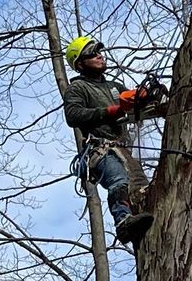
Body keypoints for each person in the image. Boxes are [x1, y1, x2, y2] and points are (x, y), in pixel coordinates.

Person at [62, 34, 166, 245]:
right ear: (80, 63)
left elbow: (134, 104)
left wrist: (151, 99)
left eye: (100, 52)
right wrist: (110, 111)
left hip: (124, 150)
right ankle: (123, 222)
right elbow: (73, 115)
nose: (100, 56)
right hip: (100, 149)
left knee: (141, 188)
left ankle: (148, 225)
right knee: (119, 179)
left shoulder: (115, 86)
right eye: (93, 54)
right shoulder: (78, 88)